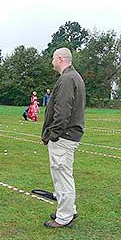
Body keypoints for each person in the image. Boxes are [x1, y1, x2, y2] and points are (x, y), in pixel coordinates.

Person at [41, 47, 85, 228]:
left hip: (64, 136)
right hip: (67, 135)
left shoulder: (67, 79)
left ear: (60, 59)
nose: (51, 61)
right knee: (62, 174)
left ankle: (64, 216)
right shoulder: (73, 77)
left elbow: (62, 112)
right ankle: (68, 209)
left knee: (63, 175)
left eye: (53, 58)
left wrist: (53, 134)